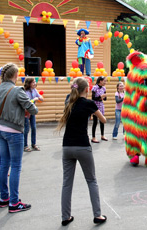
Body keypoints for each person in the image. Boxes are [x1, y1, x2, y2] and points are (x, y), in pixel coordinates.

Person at [57, 77, 107, 226]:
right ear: (86, 89)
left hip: (67, 147)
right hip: (82, 146)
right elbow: (103, 120)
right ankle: (97, 215)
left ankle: (65, 217)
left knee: (67, 183)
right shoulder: (89, 103)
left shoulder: (69, 102)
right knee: (91, 180)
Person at [0, 63, 38, 213]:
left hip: (0, 129)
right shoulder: (17, 90)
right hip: (14, 130)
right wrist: (27, 106)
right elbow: (33, 109)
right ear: (15, 76)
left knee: (4, 164)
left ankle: (4, 199)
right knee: (16, 166)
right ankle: (14, 202)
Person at [23, 77, 43, 152]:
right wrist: (34, 99)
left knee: (34, 128)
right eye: (33, 82)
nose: (35, 83)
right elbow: (27, 102)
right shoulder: (25, 91)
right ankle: (25, 145)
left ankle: (33, 144)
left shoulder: (34, 90)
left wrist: (40, 97)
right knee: (26, 129)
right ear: (29, 83)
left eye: (35, 82)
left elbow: (41, 98)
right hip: (26, 112)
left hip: (32, 112)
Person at [91, 76, 107, 143]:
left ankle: (102, 135)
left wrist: (104, 97)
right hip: (95, 106)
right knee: (95, 122)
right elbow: (93, 98)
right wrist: (101, 97)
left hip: (101, 105)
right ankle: (93, 137)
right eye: (104, 81)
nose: (105, 82)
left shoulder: (104, 88)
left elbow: (105, 98)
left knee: (102, 121)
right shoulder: (95, 88)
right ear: (100, 81)